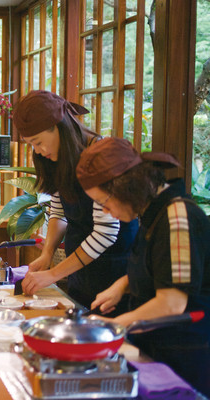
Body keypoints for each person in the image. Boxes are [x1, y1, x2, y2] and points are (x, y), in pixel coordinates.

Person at [76, 137, 210, 396]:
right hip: (157, 343)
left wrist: (113, 326)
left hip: (186, 351)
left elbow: (172, 303)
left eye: (105, 203)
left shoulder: (177, 217)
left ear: (125, 188)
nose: (105, 211)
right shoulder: (151, 210)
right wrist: (122, 284)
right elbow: (161, 265)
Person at [13, 90, 138, 315]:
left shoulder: (100, 156)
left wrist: (54, 274)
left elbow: (107, 232)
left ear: (58, 126)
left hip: (114, 275)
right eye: (32, 145)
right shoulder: (60, 157)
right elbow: (59, 212)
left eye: (38, 142)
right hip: (80, 274)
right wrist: (47, 253)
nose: (38, 152)